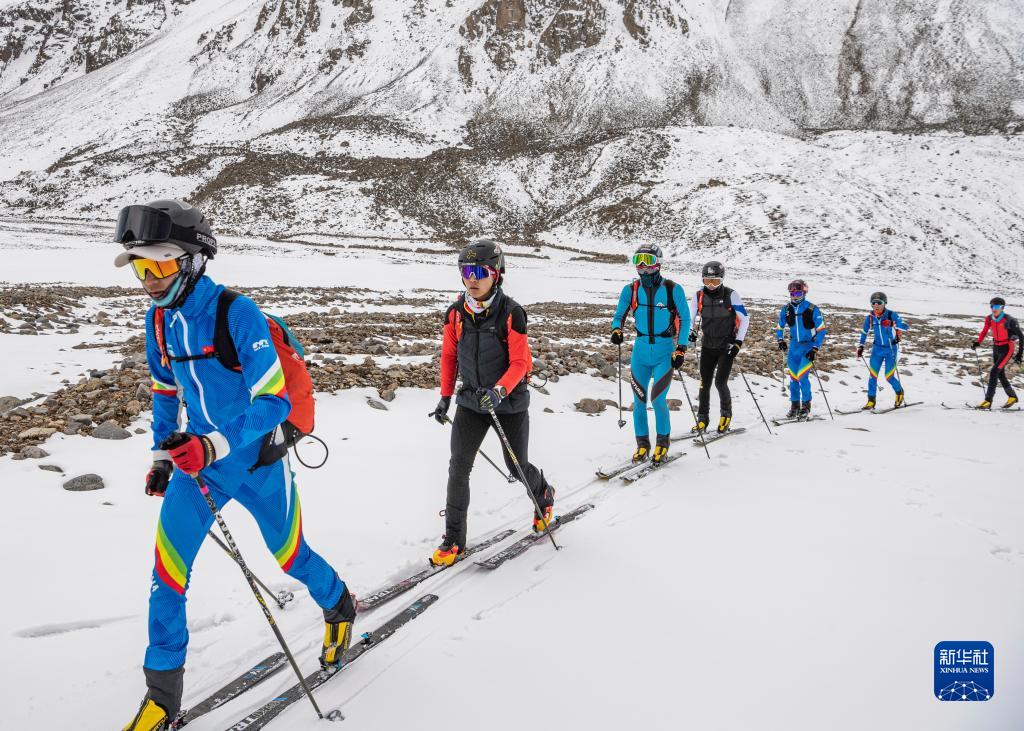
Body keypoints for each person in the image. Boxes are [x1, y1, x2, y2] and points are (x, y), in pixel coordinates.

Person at [117, 200, 354, 731]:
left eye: (160, 265)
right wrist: (162, 458)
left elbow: (274, 403)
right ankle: (162, 696)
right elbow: (165, 390)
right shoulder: (159, 321)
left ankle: (339, 605)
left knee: (291, 558)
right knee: (167, 574)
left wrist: (213, 445)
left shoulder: (237, 314)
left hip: (258, 463)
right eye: (140, 268)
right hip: (198, 468)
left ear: (193, 260)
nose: (150, 281)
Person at [428, 239, 555, 566]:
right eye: (466, 271)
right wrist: (445, 397)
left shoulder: (511, 313)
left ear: (496, 274)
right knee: (458, 468)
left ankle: (543, 494)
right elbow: (449, 357)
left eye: (479, 272)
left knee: (517, 466)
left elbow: (520, 363)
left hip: (508, 404)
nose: (472, 278)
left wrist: (499, 391)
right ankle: (453, 540)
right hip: (472, 402)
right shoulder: (455, 314)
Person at [610, 244, 691, 464]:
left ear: (658, 263)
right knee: (638, 401)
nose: (643, 266)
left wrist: (681, 348)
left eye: (648, 260)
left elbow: (685, 320)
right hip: (641, 351)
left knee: (657, 400)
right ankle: (642, 445)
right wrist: (616, 329)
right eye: (638, 261)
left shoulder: (673, 289)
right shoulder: (630, 290)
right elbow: (619, 315)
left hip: (665, 351)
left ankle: (662, 444)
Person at [687, 261, 750, 433]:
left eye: (715, 281)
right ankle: (702, 419)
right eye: (707, 281)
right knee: (704, 383)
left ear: (722, 280)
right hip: (707, 345)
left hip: (726, 346)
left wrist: (738, 343)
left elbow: (745, 319)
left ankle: (725, 416)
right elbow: (690, 316)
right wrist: (690, 331)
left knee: (720, 382)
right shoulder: (699, 296)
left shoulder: (731, 295)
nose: (711, 285)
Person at [775, 279, 827, 418]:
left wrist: (815, 348)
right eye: (792, 293)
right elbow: (780, 326)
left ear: (804, 293)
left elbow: (821, 330)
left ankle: (806, 406)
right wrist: (780, 340)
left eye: (797, 293)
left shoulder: (812, 309)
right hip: (794, 348)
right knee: (793, 378)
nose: (794, 296)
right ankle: (794, 406)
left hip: (808, 347)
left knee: (802, 376)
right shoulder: (786, 309)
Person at [856, 291, 909, 409]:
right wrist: (861, 346)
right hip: (877, 349)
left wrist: (891, 323)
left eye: (879, 303)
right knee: (872, 376)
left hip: (891, 349)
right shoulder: (870, 317)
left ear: (884, 303)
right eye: (873, 303)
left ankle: (899, 392)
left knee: (889, 376)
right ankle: (871, 401)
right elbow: (864, 332)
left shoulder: (891, 315)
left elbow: (905, 327)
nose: (876, 306)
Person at [971, 296, 1021, 409]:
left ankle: (988, 401)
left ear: (1002, 307)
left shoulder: (1008, 319)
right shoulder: (989, 318)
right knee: (1000, 373)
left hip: (1007, 348)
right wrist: (977, 342)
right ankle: (1012, 396)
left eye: (997, 306)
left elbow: (1019, 334)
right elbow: (984, 331)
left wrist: (1018, 351)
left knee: (994, 372)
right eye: (992, 306)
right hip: (996, 347)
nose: (994, 309)